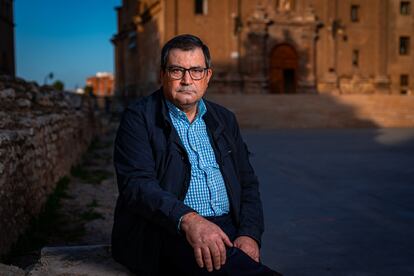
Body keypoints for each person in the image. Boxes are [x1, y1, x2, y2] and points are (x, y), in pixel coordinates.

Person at [112, 34, 282, 276]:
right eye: (176, 70)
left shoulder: (224, 118)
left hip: (226, 227)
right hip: (169, 229)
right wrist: (190, 220)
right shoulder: (138, 118)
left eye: (196, 71)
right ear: (162, 74)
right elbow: (136, 185)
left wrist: (249, 233)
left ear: (208, 76)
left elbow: (248, 183)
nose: (186, 80)